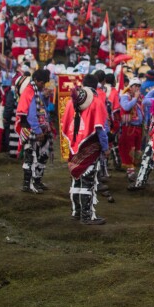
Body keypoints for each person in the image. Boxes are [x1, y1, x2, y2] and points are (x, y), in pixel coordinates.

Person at [61, 85, 109, 225]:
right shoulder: (95, 103)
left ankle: (76, 212)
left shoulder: (71, 103)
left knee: (76, 179)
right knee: (88, 182)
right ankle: (87, 216)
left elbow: (65, 124)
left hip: (74, 146)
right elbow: (100, 128)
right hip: (90, 147)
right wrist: (105, 147)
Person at [16, 69, 53, 194]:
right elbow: (31, 115)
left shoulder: (36, 92)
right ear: (36, 80)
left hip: (39, 129)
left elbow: (44, 109)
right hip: (32, 130)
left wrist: (46, 98)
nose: (43, 85)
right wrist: (38, 131)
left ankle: (36, 181)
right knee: (32, 157)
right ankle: (29, 184)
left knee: (41, 156)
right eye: (42, 83)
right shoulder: (30, 92)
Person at [119, 78, 145, 181]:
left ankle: (132, 169)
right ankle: (130, 171)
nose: (138, 88)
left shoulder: (139, 97)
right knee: (130, 149)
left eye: (139, 86)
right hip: (129, 127)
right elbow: (125, 107)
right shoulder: (126, 96)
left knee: (137, 149)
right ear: (131, 87)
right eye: (135, 86)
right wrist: (135, 98)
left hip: (138, 127)